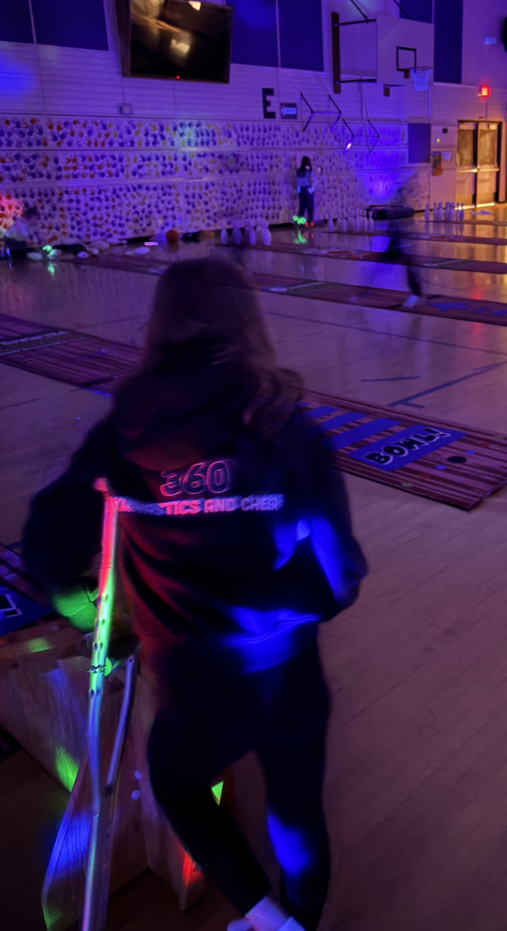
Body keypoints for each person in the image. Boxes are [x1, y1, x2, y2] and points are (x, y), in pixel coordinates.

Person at [23, 258, 367, 931]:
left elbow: (48, 539)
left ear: (161, 326)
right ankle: (300, 915)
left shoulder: (122, 432)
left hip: (188, 676)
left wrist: (94, 616)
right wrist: (282, 610)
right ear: (248, 323)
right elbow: (342, 575)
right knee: (295, 805)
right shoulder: (288, 429)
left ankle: (266, 919)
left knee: (176, 782)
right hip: (285, 672)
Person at [295, 157, 315, 227]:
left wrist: (297, 190)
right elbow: (311, 179)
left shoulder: (299, 171)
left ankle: (300, 222)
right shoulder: (309, 170)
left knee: (302, 206)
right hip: (307, 189)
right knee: (310, 206)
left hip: (301, 189)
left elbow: (297, 180)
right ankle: (310, 221)